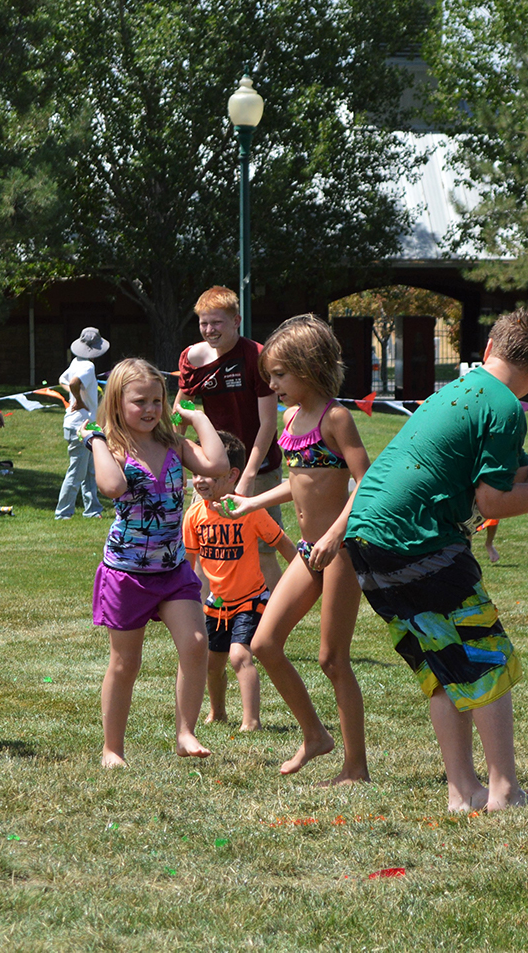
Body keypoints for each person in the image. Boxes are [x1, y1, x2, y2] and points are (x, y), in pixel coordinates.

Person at [339, 307, 528, 811]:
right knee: (487, 653)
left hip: (368, 538)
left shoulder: (458, 391)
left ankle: (461, 790)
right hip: (417, 538)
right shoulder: (506, 407)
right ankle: (504, 792)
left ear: (489, 348)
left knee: (446, 661)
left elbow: (511, 477)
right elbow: (493, 503)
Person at [219, 315, 371, 784]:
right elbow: (298, 483)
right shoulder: (290, 420)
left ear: (310, 368)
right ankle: (314, 736)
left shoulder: (336, 417)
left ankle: (355, 768)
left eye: (280, 375)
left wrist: (334, 536)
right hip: (309, 551)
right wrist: (249, 505)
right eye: (269, 375)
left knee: (332, 659)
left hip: (341, 553)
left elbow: (367, 486)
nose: (272, 384)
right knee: (264, 643)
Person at [87, 357, 228, 768]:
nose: (150, 410)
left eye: (156, 401)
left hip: (172, 570)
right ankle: (112, 748)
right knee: (126, 662)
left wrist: (196, 417)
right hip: (127, 573)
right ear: (116, 403)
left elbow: (217, 464)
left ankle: (186, 732)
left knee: (197, 644)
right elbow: (112, 486)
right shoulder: (111, 446)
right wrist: (95, 438)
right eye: (139, 402)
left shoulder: (172, 443)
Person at [183, 430, 295, 731]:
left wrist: (303, 572)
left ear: (232, 475)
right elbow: (189, 565)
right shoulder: (193, 516)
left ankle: (252, 721)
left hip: (251, 599)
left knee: (239, 655)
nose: (200, 480)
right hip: (216, 604)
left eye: (208, 473)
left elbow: (283, 544)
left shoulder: (249, 511)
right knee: (211, 663)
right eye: (196, 473)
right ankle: (218, 712)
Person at [179, 286, 284, 591]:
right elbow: (181, 409)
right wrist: (176, 456)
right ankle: (206, 625)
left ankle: (271, 625)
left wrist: (248, 476)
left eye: (217, 323)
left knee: (264, 550)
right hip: (212, 469)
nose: (209, 330)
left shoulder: (258, 356)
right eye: (203, 323)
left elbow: (268, 424)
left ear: (237, 320)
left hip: (258, 468)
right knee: (203, 549)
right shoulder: (192, 358)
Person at [55, 326, 108, 520]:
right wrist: (77, 398)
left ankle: (92, 509)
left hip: (81, 424)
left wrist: (74, 396)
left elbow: (63, 379)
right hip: (81, 425)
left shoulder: (76, 362)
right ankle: (63, 513)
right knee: (77, 472)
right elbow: (74, 382)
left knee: (89, 471)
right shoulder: (88, 366)